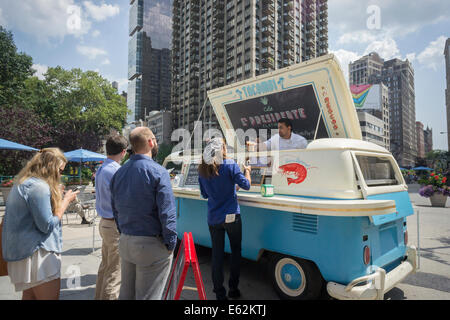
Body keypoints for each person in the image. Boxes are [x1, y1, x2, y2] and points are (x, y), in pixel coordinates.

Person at [1, 148, 79, 300]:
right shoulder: (39, 187)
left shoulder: (23, 183)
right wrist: (65, 203)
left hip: (24, 254)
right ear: (51, 168)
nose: (61, 175)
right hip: (38, 255)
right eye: (60, 170)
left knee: (29, 296)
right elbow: (47, 225)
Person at [110, 127, 177, 300]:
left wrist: (123, 231)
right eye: (154, 139)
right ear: (150, 142)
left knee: (127, 294)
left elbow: (115, 208)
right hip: (150, 245)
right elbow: (167, 212)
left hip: (126, 241)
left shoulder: (119, 172)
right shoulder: (158, 172)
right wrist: (170, 243)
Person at [198, 138, 251, 300]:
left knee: (217, 255)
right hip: (231, 216)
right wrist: (247, 170)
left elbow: (205, 194)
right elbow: (247, 185)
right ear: (222, 149)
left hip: (214, 218)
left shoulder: (202, 169)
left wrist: (226, 188)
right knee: (235, 252)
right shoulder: (230, 164)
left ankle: (219, 294)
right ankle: (233, 290)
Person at [94, 134, 128, 300]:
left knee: (105, 267)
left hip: (104, 223)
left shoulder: (101, 168)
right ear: (123, 152)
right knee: (115, 274)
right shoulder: (116, 170)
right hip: (114, 225)